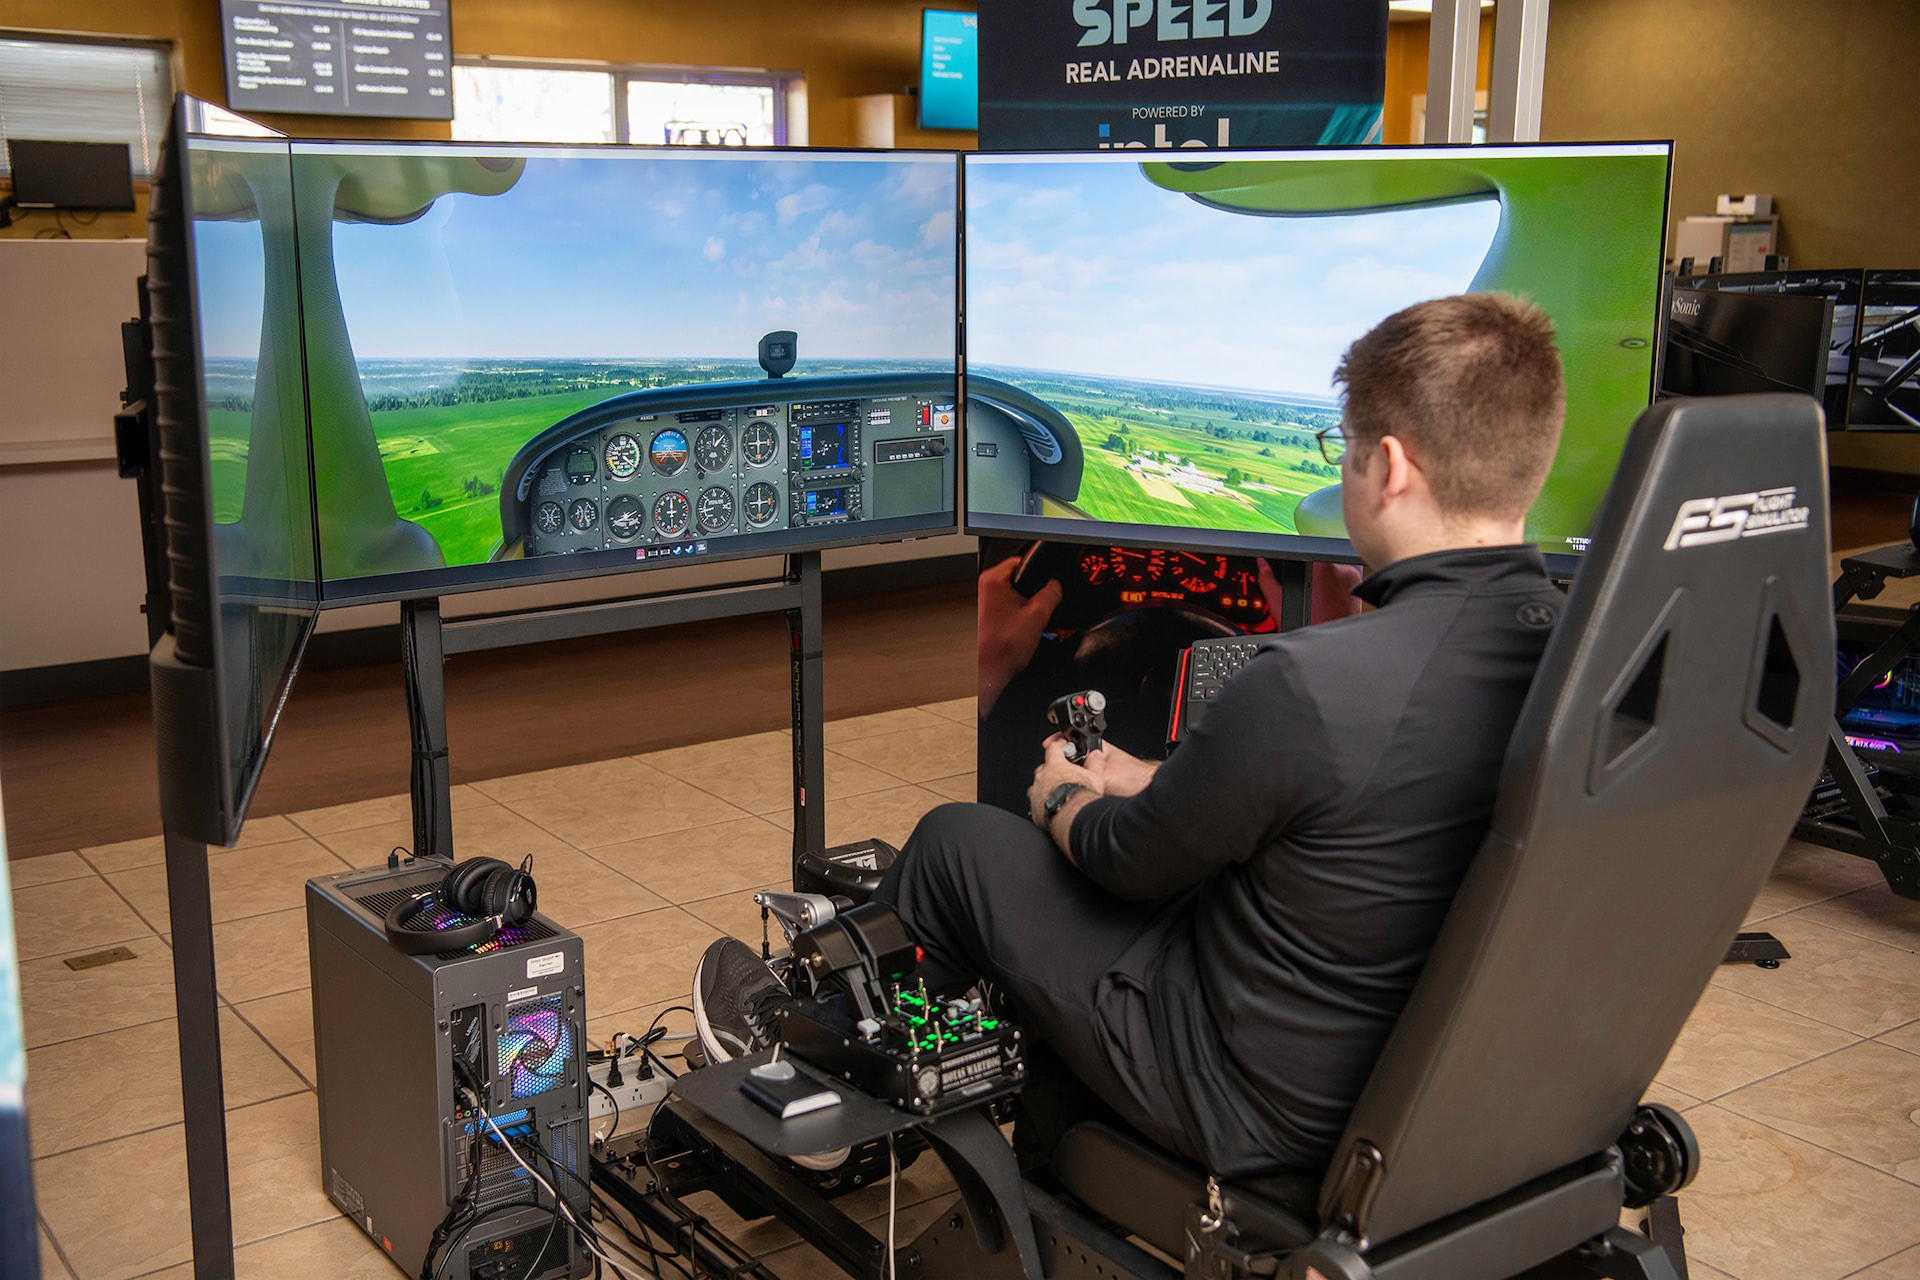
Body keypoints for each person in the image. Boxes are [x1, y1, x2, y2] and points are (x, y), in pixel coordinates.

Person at [695, 292, 1570, 1178]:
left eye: (1336, 452)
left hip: (1254, 1100)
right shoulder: (1589, 665)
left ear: (1389, 467)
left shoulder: (1315, 684)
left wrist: (1066, 795)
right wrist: (1154, 777)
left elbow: (1127, 861)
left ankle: (819, 1079)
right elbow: (1350, 820)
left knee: (961, 842)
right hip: (1448, 1097)